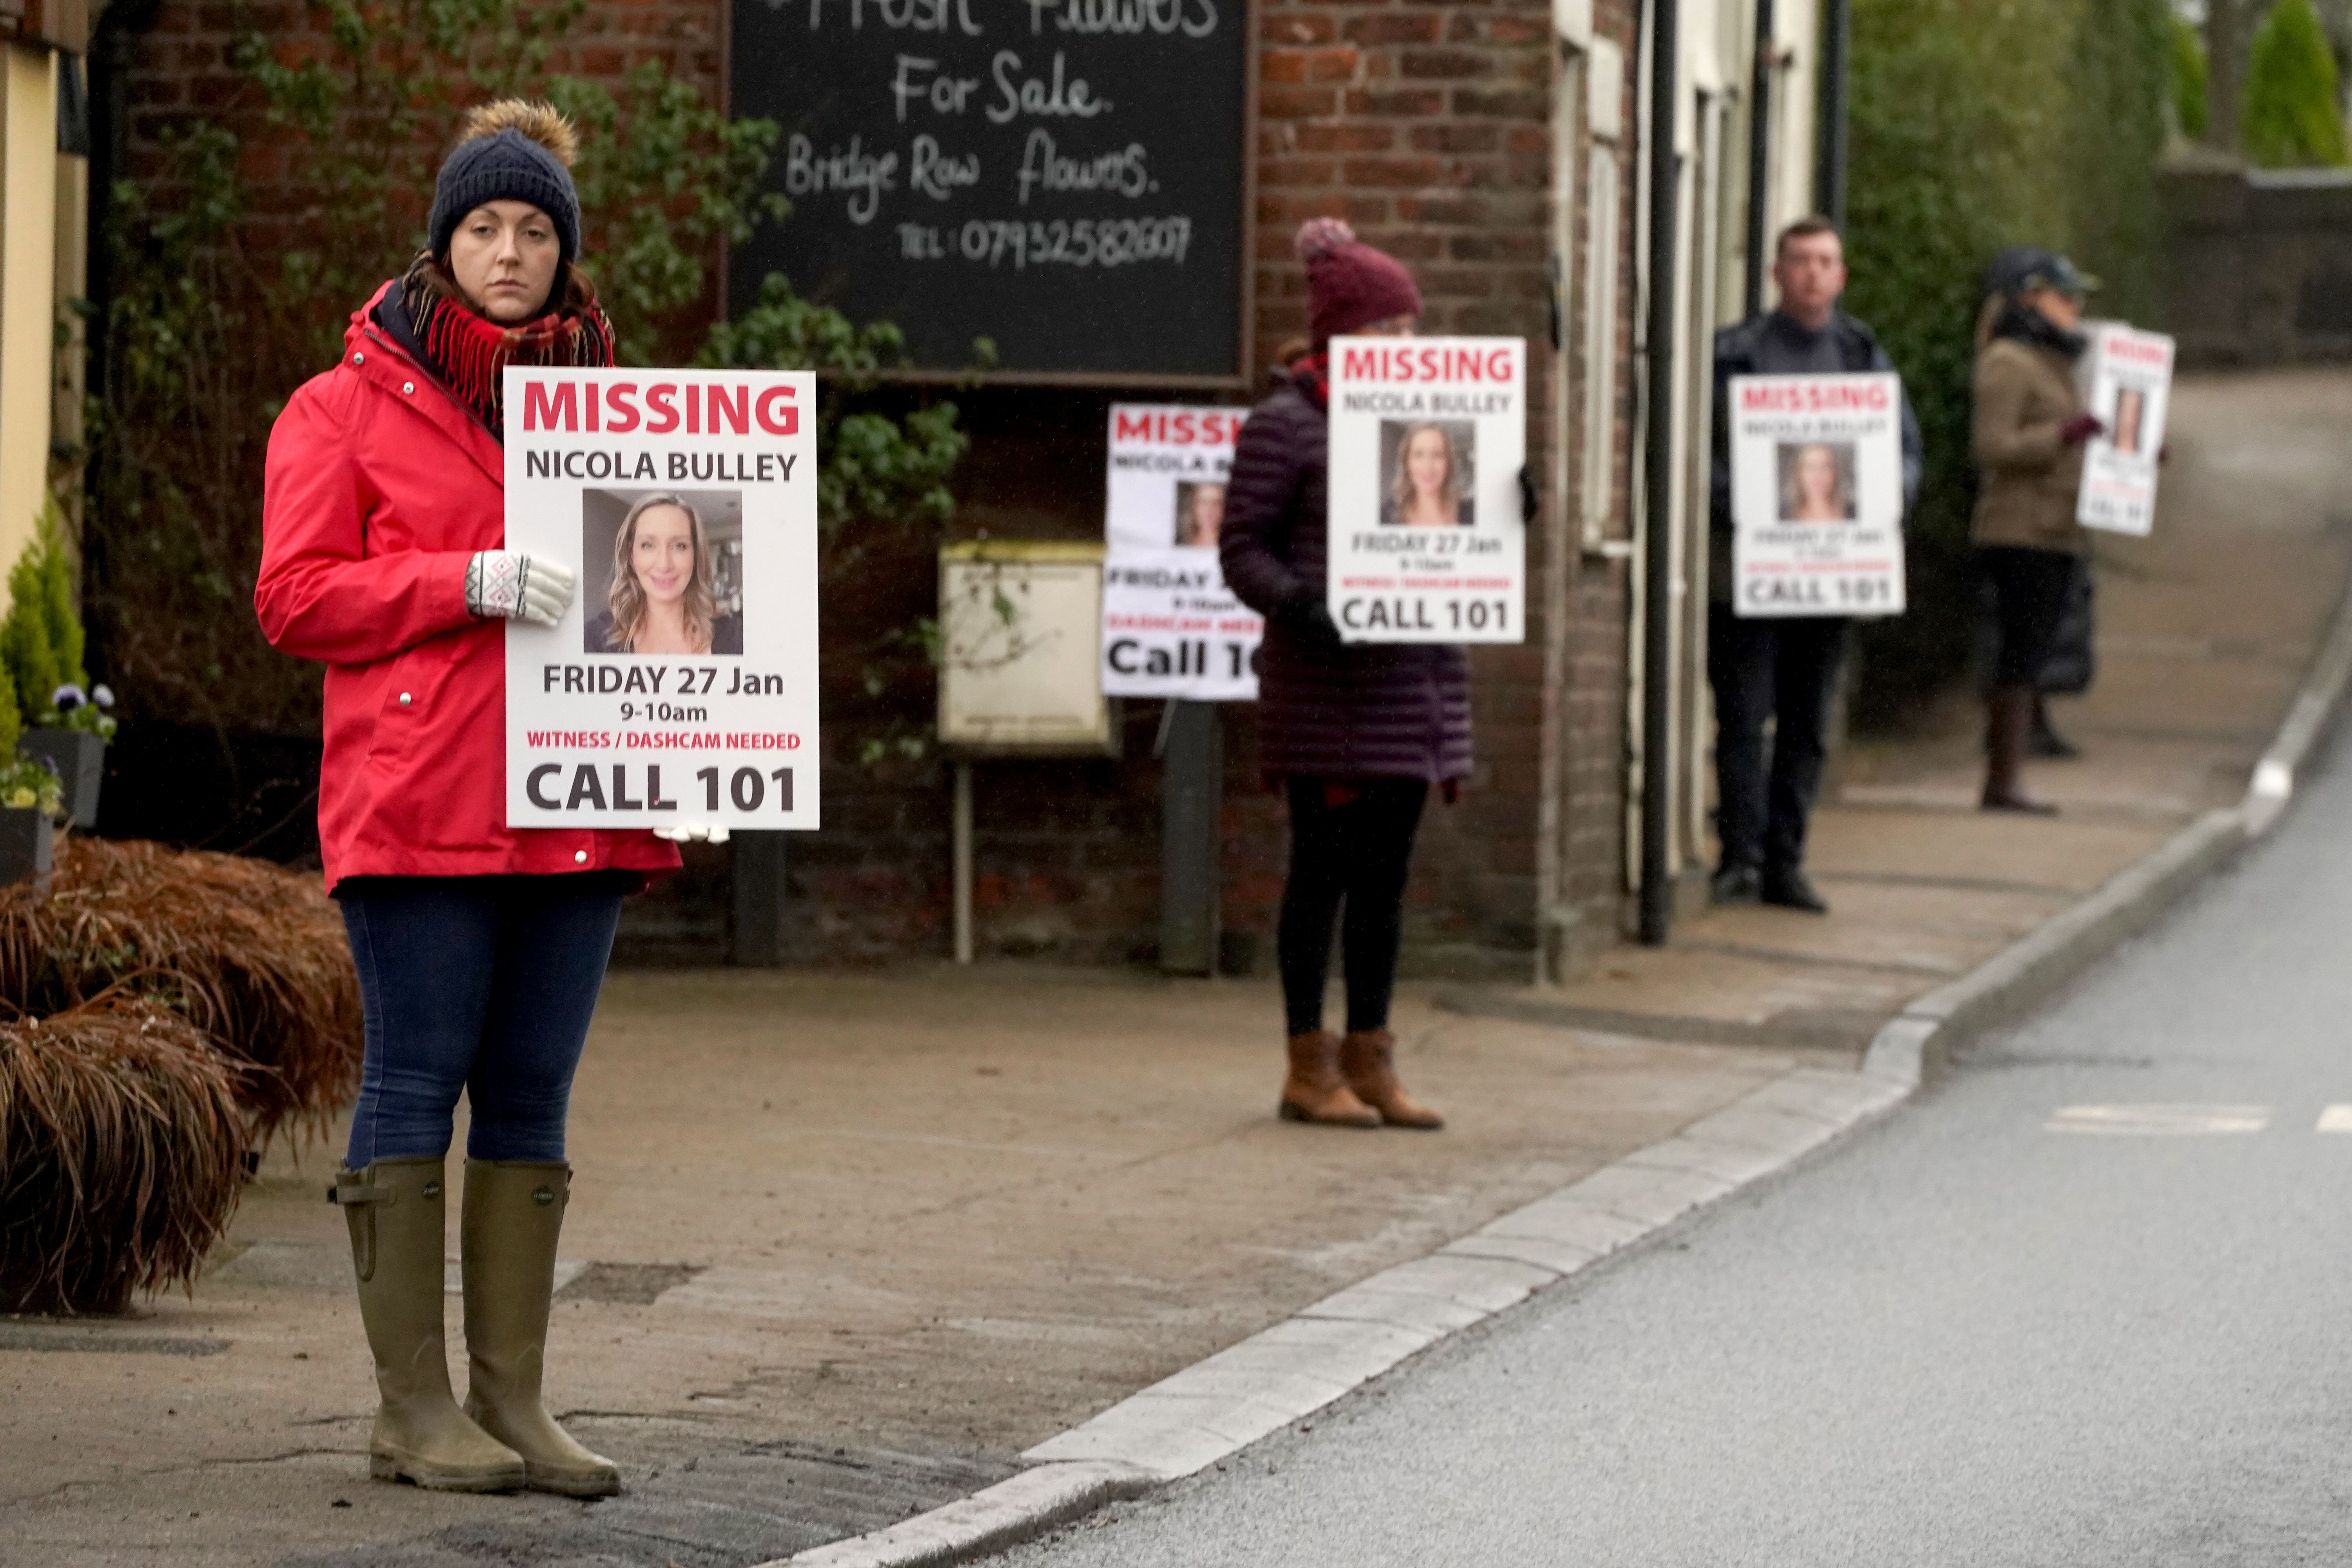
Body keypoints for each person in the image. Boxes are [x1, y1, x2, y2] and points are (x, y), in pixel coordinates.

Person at [255, 100, 681, 1498]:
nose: (511, 251)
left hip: (577, 799)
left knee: (532, 1095)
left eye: (536, 228)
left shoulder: (620, 410)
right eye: (485, 226)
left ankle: (515, 1401)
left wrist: (716, 735)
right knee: (416, 1077)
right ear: (442, 245)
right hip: (420, 803)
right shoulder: (340, 406)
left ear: (567, 251)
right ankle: (410, 1406)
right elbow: (296, 597)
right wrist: (465, 581)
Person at [1220, 217, 1462, 1131]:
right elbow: (1242, 548)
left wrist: (1507, 500)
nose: (1404, 349)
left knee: (1387, 879)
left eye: (1410, 331)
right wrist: (1300, 605)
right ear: (1340, 338)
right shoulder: (1286, 423)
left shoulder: (1433, 425)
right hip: (1327, 684)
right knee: (1322, 869)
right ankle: (1304, 1064)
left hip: (1413, 681)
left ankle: (1372, 1059)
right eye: (1385, 333)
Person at [1706, 216, 1922, 913]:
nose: (1812, 274)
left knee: (1806, 722)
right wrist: (1743, 504)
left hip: (1831, 576)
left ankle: (1786, 862)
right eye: (1800, 260)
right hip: (1750, 574)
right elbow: (1699, 451)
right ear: (1776, 273)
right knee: (1742, 717)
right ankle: (1738, 856)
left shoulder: (1862, 355)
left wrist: (1887, 505)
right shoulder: (1735, 354)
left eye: (1826, 261)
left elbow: (1902, 450)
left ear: (1842, 275)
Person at [1972, 247, 2102, 814]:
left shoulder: (2051, 362)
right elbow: (1993, 446)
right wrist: (2064, 435)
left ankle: (2009, 776)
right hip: (2018, 530)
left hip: (2055, 529)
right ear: (2030, 298)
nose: (2075, 307)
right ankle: (2003, 780)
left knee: (2033, 652)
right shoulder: (2007, 361)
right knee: (2021, 654)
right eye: (2063, 295)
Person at [585, 492, 744, 655]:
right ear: (632, 556)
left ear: (696, 556)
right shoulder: (595, 639)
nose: (664, 565)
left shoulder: (737, 637)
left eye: (679, 546)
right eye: (648, 545)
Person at [1380, 423, 1472, 526]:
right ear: (1407, 464)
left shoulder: (1471, 512)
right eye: (1419, 455)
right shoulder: (1386, 516)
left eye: (1437, 455)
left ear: (1448, 464)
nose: (1428, 466)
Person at [1780, 442, 1855, 522]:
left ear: (1835, 473)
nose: (1818, 475)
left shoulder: (1853, 513)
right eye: (1811, 467)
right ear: (1799, 474)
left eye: (1825, 467)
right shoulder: (1783, 515)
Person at [1176, 481, 1226, 548]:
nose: (1209, 510)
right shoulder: (1182, 544)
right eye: (1204, 503)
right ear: (1194, 506)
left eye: (1217, 503)